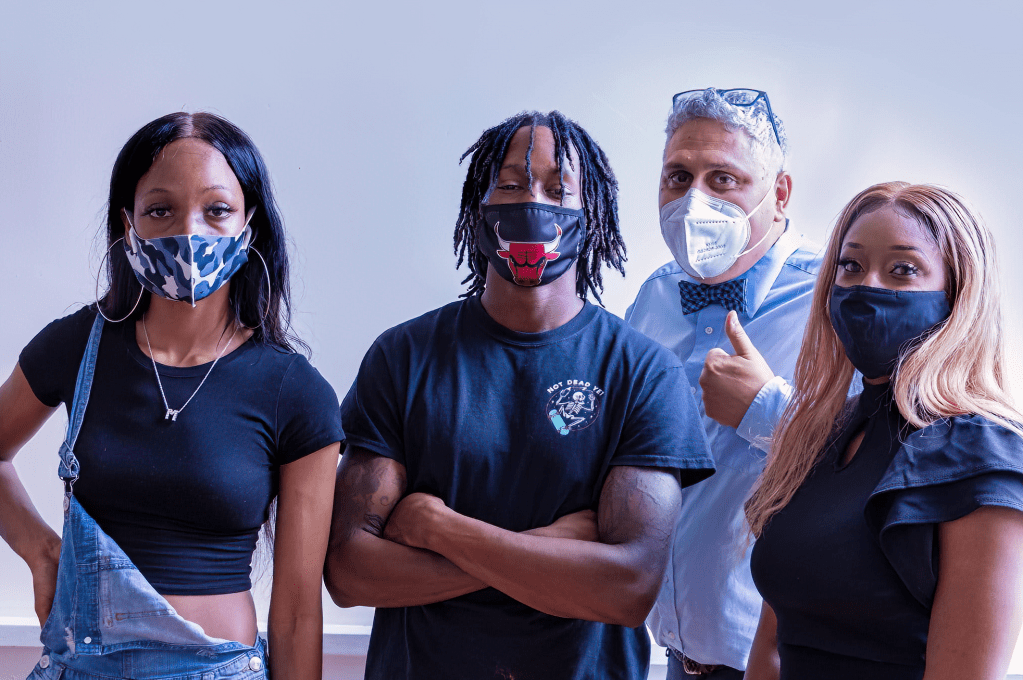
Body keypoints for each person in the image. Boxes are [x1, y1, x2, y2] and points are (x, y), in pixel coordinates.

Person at [323, 110, 714, 680]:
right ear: (476, 208)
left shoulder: (645, 372)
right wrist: (551, 550)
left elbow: (628, 589)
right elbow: (349, 572)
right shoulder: (403, 356)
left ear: (592, 214)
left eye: (558, 189)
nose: (532, 202)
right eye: (510, 185)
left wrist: (438, 529)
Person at [0, 112, 343, 680]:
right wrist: (40, 551)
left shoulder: (297, 393)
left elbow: (297, 615)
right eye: (160, 210)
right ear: (128, 222)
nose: (190, 232)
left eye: (217, 209)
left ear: (250, 224)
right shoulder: (78, 347)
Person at [745, 182, 1023, 680]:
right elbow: (773, 645)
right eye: (850, 265)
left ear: (958, 295)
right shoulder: (817, 432)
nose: (866, 286)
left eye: (902, 270)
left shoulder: (982, 455)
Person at [625, 88, 819, 678]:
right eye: (678, 177)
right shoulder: (654, 297)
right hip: (670, 654)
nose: (694, 201)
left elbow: (882, 462)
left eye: (723, 179)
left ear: (779, 194)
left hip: (785, 661)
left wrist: (766, 408)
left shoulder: (836, 301)